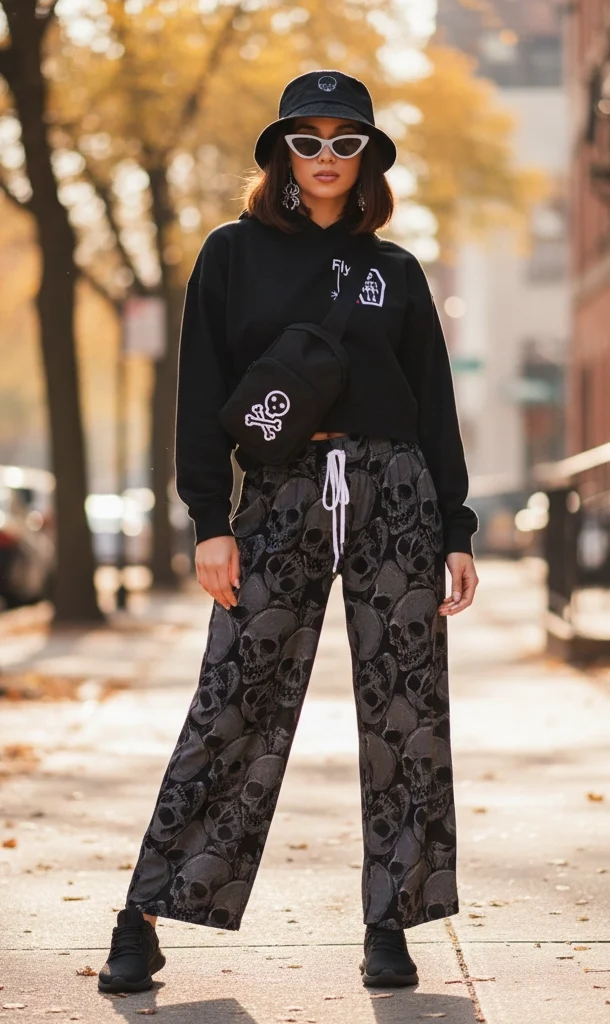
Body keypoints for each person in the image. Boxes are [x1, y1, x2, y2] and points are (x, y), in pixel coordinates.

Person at [98, 69, 479, 995]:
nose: (324, 158)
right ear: (279, 155)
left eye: (344, 142)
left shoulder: (397, 271)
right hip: (278, 492)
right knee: (233, 697)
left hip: (395, 490)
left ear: (369, 158)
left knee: (406, 712)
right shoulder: (231, 254)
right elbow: (200, 394)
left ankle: (390, 922)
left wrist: (455, 528)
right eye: (306, 141)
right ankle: (142, 915)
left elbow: (434, 405)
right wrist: (209, 520)